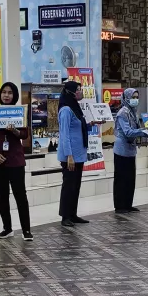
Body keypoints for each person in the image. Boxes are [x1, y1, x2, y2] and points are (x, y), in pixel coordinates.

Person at [0, 82, 32, 241]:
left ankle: (26, 230)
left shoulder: (20, 112)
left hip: (15, 160)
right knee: (2, 195)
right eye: (4, 92)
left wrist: (14, 130)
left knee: (20, 195)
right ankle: (7, 228)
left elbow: (25, 135)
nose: (6, 95)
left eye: (10, 93)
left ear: (15, 95)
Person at [57, 81, 90, 227]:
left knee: (76, 185)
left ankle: (73, 213)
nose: (80, 92)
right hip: (70, 156)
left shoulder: (75, 108)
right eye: (77, 89)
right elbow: (65, 135)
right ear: (70, 92)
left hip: (79, 154)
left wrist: (91, 123)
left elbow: (77, 127)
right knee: (68, 185)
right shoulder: (65, 110)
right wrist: (69, 156)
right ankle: (65, 216)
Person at [113, 88, 148, 214]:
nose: (135, 100)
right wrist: (144, 131)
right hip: (121, 150)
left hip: (130, 150)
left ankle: (128, 204)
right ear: (126, 97)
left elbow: (136, 130)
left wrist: (147, 131)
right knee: (121, 179)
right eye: (133, 97)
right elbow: (127, 132)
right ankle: (119, 206)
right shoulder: (123, 112)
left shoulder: (133, 112)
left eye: (137, 97)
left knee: (130, 179)